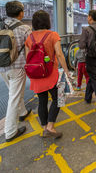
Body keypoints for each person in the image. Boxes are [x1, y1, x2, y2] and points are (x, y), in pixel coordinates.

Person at [25, 10, 70, 138]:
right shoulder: (52, 35)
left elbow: (28, 57)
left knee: (42, 101)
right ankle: (50, 127)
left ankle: (44, 128)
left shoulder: (30, 38)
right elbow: (60, 54)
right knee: (58, 99)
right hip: (51, 74)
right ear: (47, 21)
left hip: (36, 74)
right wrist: (66, 70)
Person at [0, 1, 32, 142]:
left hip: (1, 65)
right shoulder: (25, 28)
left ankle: (22, 112)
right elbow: (30, 48)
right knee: (14, 97)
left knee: (14, 92)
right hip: (17, 66)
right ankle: (10, 131)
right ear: (21, 12)